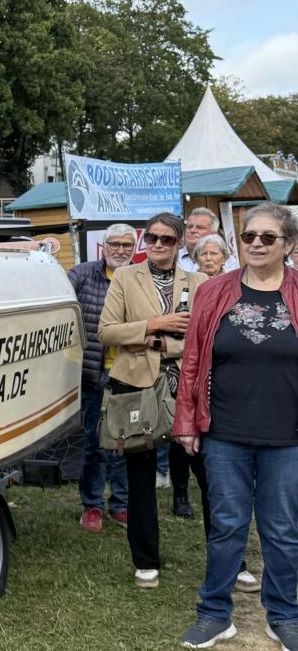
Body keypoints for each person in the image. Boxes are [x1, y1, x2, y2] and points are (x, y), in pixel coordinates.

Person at [175, 203, 298, 649]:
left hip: (287, 438)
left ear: (288, 244)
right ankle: (214, 613)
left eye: (268, 237)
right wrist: (186, 421)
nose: (257, 244)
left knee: (282, 530)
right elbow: (191, 363)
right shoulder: (214, 292)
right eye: (249, 236)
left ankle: (284, 616)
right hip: (223, 433)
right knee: (226, 525)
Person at [98, 212, 207, 589]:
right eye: (153, 239)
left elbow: (205, 335)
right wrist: (153, 328)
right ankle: (146, 561)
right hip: (136, 387)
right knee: (140, 476)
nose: (158, 245)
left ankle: (232, 558)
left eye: (167, 240)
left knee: (208, 473)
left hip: (188, 388)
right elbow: (107, 331)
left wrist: (168, 343)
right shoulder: (127, 277)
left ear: (180, 243)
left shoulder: (199, 281)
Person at [70, 224, 134, 533]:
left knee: (124, 443)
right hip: (93, 373)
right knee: (95, 442)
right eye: (115, 244)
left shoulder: (141, 279)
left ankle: (120, 505)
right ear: (103, 246)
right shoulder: (83, 274)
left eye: (127, 245)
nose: (121, 250)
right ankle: (92, 505)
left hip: (129, 372)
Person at [179, 207, 239, 273]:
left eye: (200, 227)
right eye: (189, 227)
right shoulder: (174, 258)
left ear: (213, 233)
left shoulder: (228, 261)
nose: (192, 230)